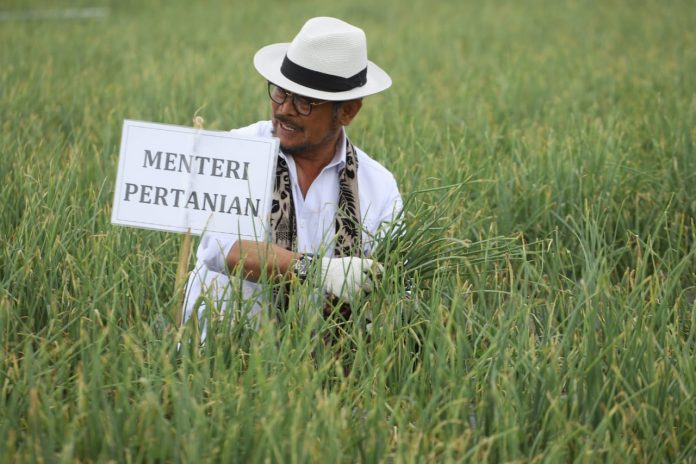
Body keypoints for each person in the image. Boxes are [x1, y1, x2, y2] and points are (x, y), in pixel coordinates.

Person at [182, 17, 402, 331]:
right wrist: (318, 271)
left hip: (324, 368)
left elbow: (394, 282)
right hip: (218, 354)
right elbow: (222, 248)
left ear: (349, 110)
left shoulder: (378, 187)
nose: (284, 109)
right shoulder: (239, 150)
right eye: (281, 93)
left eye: (304, 102)